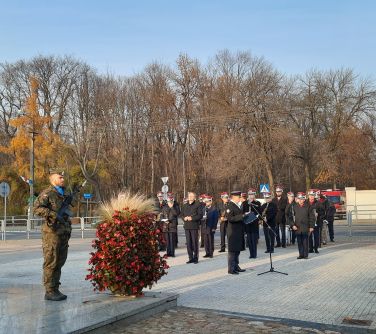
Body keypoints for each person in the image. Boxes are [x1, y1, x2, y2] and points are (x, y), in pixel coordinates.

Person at [33, 169, 73, 301]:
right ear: (53, 180)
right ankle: (49, 291)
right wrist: (53, 214)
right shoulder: (48, 193)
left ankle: (55, 288)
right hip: (52, 233)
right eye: (60, 177)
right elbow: (37, 208)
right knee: (51, 261)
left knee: (60, 261)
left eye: (63, 177)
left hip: (63, 232)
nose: (63, 179)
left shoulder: (65, 193)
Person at [288, 192, 315, 259]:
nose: (300, 200)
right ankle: (301, 254)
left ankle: (305, 255)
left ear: (304, 199)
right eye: (299, 199)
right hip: (297, 227)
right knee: (299, 242)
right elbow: (290, 217)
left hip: (306, 227)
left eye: (302, 199)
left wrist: (311, 226)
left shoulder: (308, 207)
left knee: (305, 242)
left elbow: (312, 217)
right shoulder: (294, 206)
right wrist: (292, 225)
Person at [226, 191, 246, 274]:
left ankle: (236, 266)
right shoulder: (230, 205)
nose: (240, 198)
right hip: (233, 232)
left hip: (239, 230)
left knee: (237, 250)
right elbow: (230, 218)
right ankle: (231, 269)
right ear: (234, 197)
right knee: (232, 251)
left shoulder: (238, 205)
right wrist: (241, 216)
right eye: (239, 197)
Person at [181, 192, 203, 264]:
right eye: (189, 196)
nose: (190, 197)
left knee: (195, 243)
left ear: (194, 197)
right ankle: (190, 258)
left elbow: (200, 216)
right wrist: (184, 218)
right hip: (187, 226)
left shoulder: (198, 205)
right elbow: (181, 214)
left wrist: (192, 218)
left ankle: (195, 258)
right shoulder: (184, 205)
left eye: (192, 196)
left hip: (194, 226)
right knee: (189, 243)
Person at [243, 188, 261, 259]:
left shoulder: (257, 203)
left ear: (254, 195)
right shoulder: (245, 203)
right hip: (247, 223)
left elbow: (259, 213)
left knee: (254, 239)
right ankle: (251, 254)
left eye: (252, 194)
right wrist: (245, 214)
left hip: (254, 223)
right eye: (250, 194)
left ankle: (255, 254)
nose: (251, 196)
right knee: (249, 240)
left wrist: (256, 216)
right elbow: (242, 212)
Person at [307, 190, 322, 254]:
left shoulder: (318, 203)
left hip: (316, 222)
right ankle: (310, 248)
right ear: (308, 196)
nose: (311, 197)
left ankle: (316, 248)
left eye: (312, 195)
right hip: (308, 222)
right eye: (310, 195)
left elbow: (323, 211)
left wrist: (318, 214)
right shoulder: (305, 202)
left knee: (316, 237)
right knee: (309, 236)